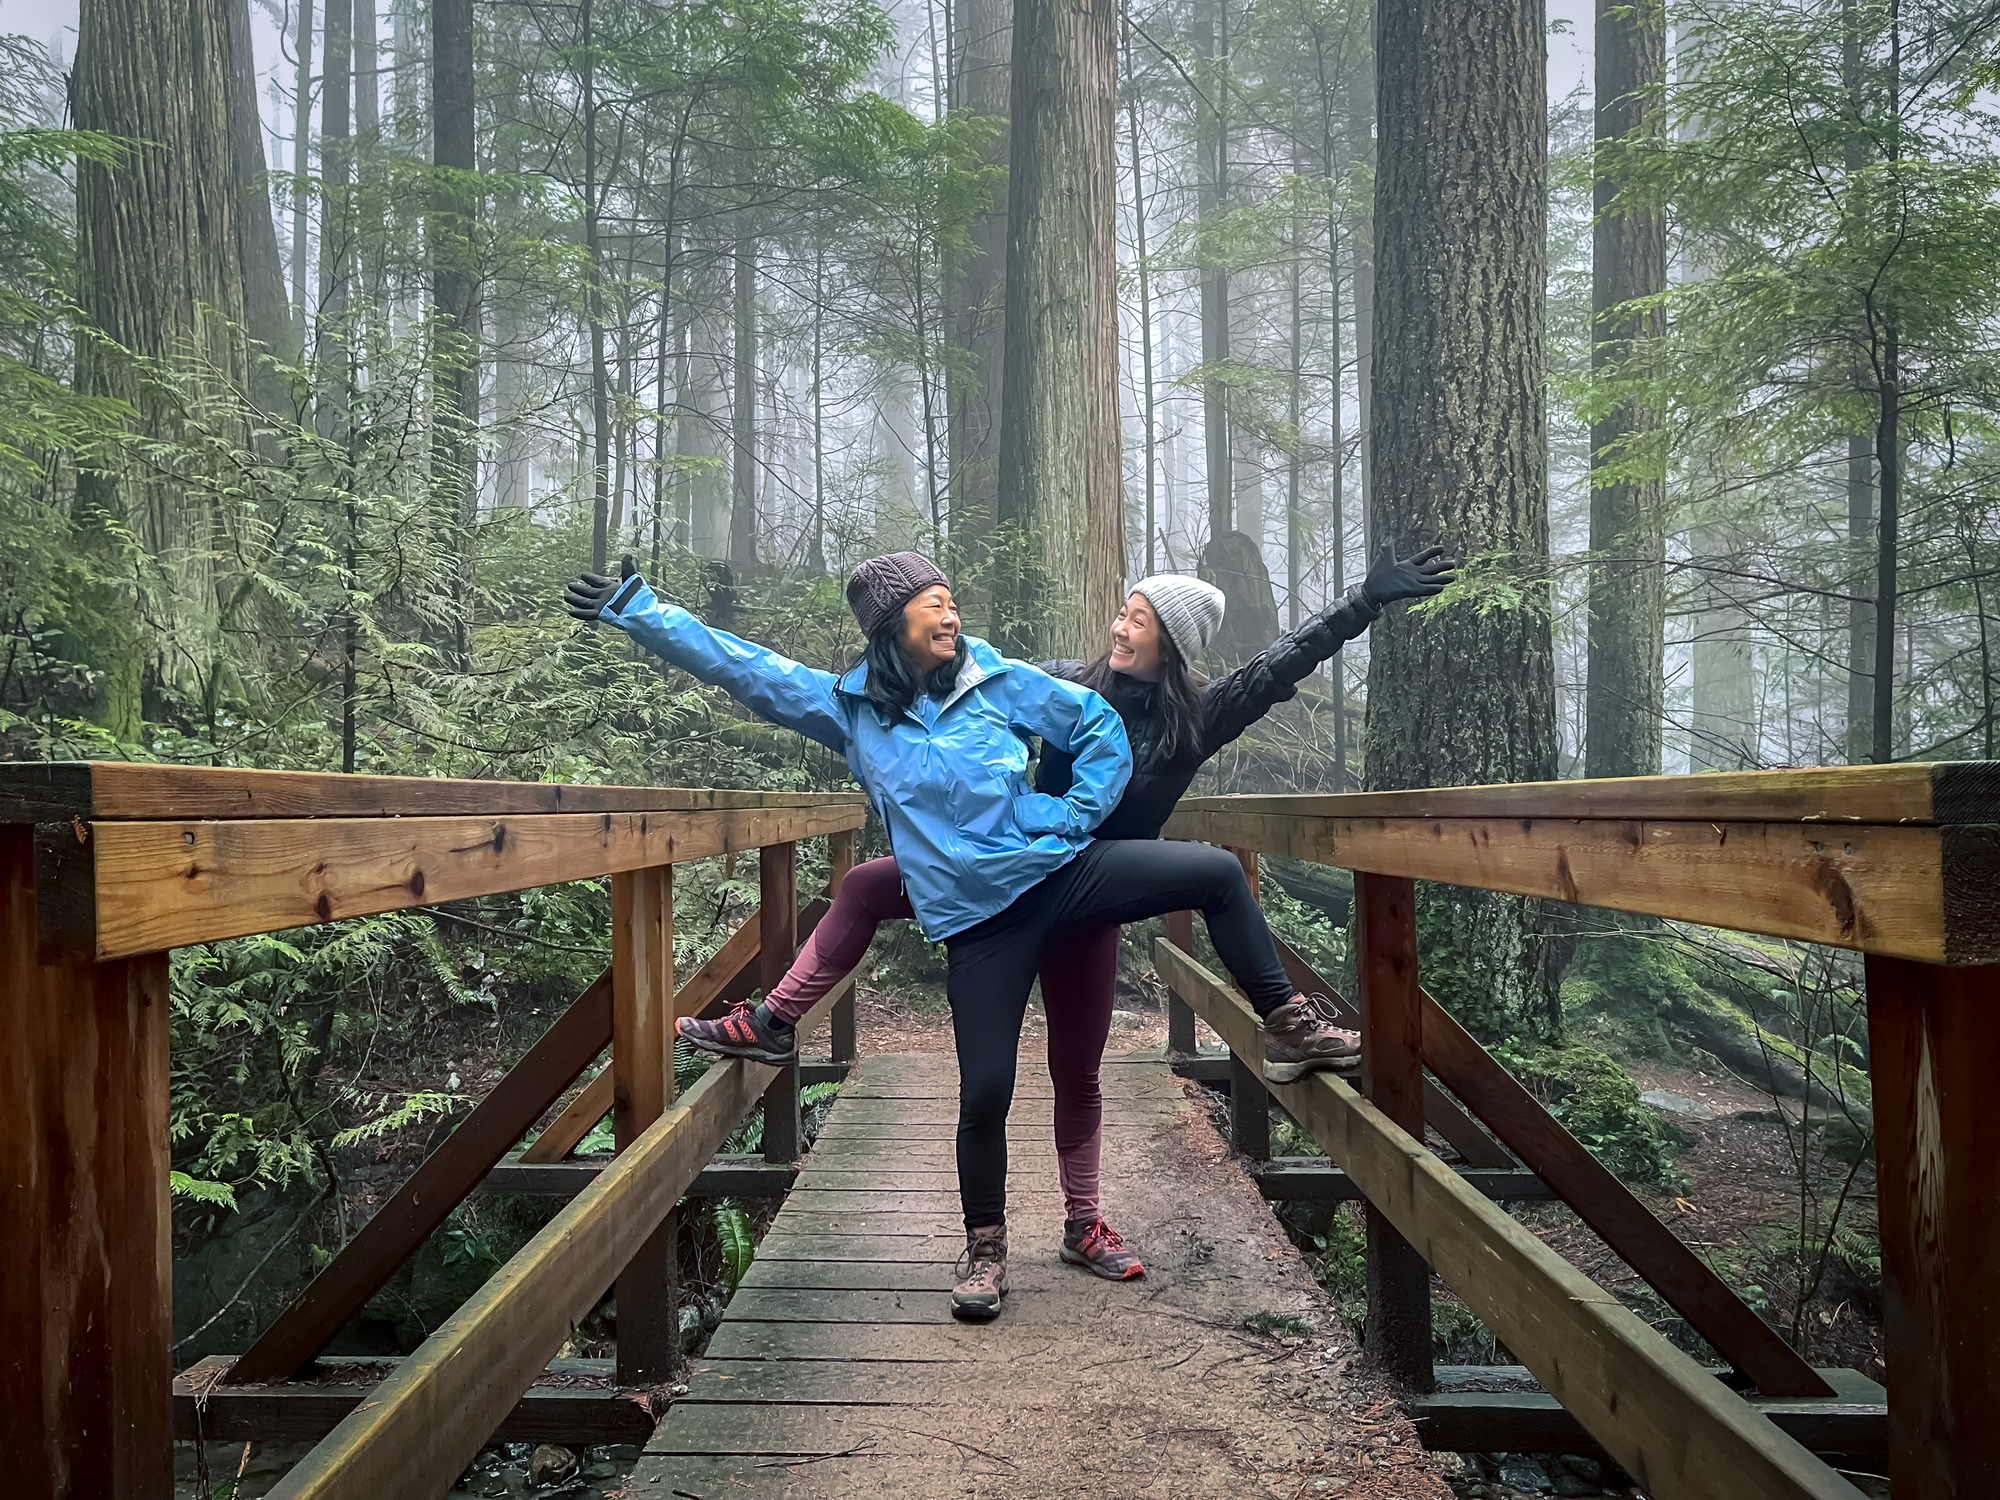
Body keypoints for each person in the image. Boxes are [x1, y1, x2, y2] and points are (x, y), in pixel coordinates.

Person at [564, 551, 1359, 1321]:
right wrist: (640, 611)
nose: (952, 614)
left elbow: (1095, 728)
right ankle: (985, 1248)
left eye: (951, 601)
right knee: (984, 1091)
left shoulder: (994, 678)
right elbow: (742, 665)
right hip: (981, 920)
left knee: (1213, 877)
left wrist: (1061, 818)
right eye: (933, 604)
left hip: (1064, 874)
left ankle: (1275, 1038)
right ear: (891, 627)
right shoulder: (847, 708)